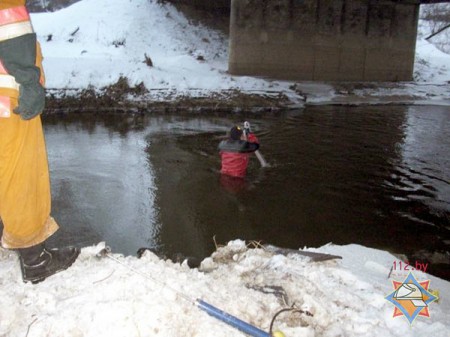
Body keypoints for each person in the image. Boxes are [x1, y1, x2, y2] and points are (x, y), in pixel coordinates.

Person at [0, 1, 79, 284]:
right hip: (8, 98)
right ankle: (35, 259)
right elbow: (11, 34)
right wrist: (30, 83)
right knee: (20, 174)